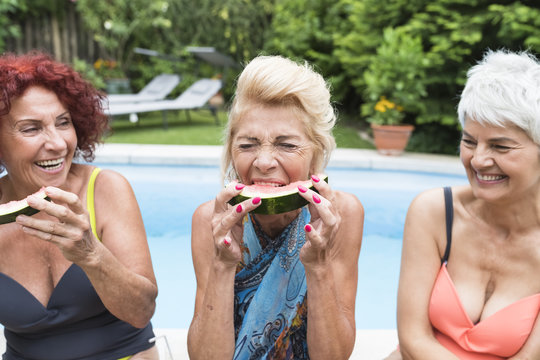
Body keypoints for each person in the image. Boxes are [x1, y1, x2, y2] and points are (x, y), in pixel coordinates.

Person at [187, 55, 364, 359]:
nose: (264, 162)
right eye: (247, 145)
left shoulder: (342, 214)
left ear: (316, 151)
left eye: (286, 145)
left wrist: (318, 266)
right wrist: (223, 265)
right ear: (231, 150)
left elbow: (335, 356)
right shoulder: (210, 221)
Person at [0, 51, 158, 359]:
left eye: (63, 122)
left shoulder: (107, 189)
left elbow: (142, 311)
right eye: (31, 128)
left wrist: (92, 255)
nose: (58, 143)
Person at [390, 49, 540, 359]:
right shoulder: (434, 212)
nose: (479, 160)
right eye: (469, 141)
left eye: (500, 146)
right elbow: (412, 339)